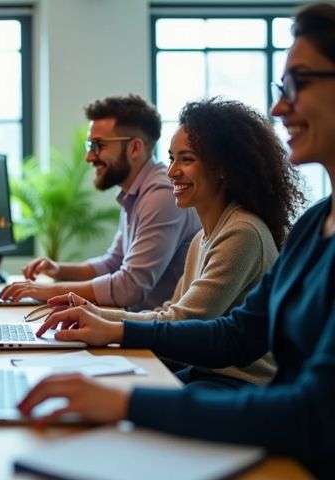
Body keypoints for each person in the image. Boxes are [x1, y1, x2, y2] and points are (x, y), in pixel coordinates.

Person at [17, 3, 335, 476]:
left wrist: (126, 401)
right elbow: (237, 334)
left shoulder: (245, 231)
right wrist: (116, 329)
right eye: (279, 88)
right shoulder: (315, 226)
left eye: (298, 82)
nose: (278, 106)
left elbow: (314, 415)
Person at [42, 98, 306, 387]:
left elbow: (184, 320)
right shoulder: (202, 238)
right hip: (204, 371)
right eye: (171, 158)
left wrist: (110, 327)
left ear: (222, 168)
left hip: (236, 382)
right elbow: (169, 311)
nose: (172, 172)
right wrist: (95, 313)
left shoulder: (241, 232)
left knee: (118, 397)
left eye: (187, 159)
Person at [0, 95, 200, 309]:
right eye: (89, 145)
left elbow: (129, 288)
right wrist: (59, 270)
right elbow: (113, 263)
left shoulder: (161, 194)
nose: (89, 157)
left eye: (98, 145)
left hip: (157, 335)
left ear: (135, 148)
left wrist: (46, 291)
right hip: (138, 324)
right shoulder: (136, 193)